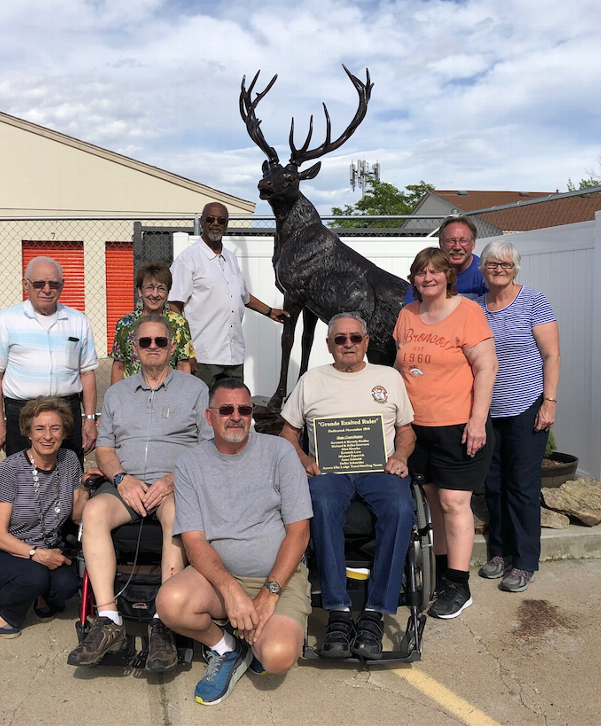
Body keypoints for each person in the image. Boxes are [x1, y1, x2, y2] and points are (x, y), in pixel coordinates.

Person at [67, 315, 211, 671]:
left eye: (160, 342)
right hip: (126, 485)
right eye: (145, 342)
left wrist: (172, 480)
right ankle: (108, 619)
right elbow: (104, 447)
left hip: (173, 486)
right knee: (94, 512)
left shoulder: (195, 391)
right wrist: (121, 480)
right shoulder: (117, 394)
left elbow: (207, 447)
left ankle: (164, 620)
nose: (152, 348)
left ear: (172, 347)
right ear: (134, 348)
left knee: (177, 515)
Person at [156, 379, 311, 706]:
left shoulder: (279, 452)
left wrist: (268, 596)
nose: (236, 416)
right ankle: (228, 647)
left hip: (278, 578)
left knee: (277, 657)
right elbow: (194, 542)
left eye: (244, 409)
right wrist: (231, 591)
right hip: (218, 578)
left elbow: (299, 532)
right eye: (226, 409)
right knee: (170, 603)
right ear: (209, 416)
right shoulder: (190, 465)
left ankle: (257, 635)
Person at [279, 311, 416, 659]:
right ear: (329, 345)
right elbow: (288, 435)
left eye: (355, 338)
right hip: (330, 471)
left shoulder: (388, 377)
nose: (349, 344)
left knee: (401, 508)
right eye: (340, 339)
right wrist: (305, 461)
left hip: (378, 469)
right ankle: (337, 610)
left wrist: (400, 455)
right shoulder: (311, 380)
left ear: (366, 342)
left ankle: (375, 612)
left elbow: (407, 431)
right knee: (320, 505)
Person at [394, 247, 498, 620]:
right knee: (434, 503)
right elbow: (400, 366)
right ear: (414, 279)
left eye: (435, 272)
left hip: (457, 425)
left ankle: (460, 584)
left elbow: (487, 367)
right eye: (421, 273)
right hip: (418, 428)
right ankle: (441, 575)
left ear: (447, 276)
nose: (428, 278)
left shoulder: (468, 313)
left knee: (455, 503)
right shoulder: (407, 314)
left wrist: (476, 420)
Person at [476, 241, 560, 593]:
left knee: (522, 487)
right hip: (487, 411)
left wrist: (549, 401)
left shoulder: (533, 301)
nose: (499, 268)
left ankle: (524, 561)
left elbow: (551, 355)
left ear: (516, 269)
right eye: (492, 263)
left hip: (526, 406)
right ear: (482, 269)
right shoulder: (473, 307)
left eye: (506, 264)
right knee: (493, 485)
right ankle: (500, 552)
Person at [0, 396, 91, 638]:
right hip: (1, 551)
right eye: (39, 429)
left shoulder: (69, 461)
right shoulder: (10, 469)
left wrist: (86, 488)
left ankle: (39, 598)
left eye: (55, 428)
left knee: (68, 584)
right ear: (28, 433)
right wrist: (36, 555)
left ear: (64, 432)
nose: (47, 436)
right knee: (34, 576)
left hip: (48, 546)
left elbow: (77, 517)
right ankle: (0, 604)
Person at [0, 256, 99, 464]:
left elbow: (87, 373)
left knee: (70, 478)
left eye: (53, 283)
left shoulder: (78, 321)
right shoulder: (6, 321)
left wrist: (89, 420)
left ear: (61, 286)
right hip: (22, 413)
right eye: (39, 284)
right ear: (26, 285)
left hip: (67, 413)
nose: (47, 289)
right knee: (22, 478)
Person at [169, 202, 287, 387]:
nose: (215, 223)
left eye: (221, 220)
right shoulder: (188, 259)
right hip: (203, 356)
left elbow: (241, 295)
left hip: (233, 355)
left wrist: (270, 311)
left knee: (231, 410)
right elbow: (174, 308)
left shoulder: (230, 258)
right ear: (201, 222)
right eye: (210, 219)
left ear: (226, 224)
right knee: (202, 410)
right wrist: (185, 352)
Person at [109, 260, 195, 384]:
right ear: (140, 291)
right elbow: (119, 366)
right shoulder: (125, 324)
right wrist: (115, 398)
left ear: (167, 293)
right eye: (149, 288)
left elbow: (182, 365)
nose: (155, 294)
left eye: (161, 288)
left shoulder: (179, 324)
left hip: (168, 391)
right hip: (132, 392)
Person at [403, 216, 488, 304]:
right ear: (441, 243)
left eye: (463, 240)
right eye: (450, 241)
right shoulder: (426, 273)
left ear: (473, 244)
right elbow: (411, 309)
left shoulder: (484, 273)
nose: (457, 247)